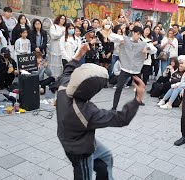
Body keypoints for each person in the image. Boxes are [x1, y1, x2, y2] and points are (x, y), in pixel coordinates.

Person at [56, 43, 145, 180]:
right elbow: (121, 119)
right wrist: (138, 98)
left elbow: (68, 70)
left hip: (74, 138)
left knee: (106, 158)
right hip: (80, 151)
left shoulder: (64, 86)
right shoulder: (86, 113)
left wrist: (79, 54)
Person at [109, 26, 149, 110]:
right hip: (125, 68)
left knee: (139, 86)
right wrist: (120, 39)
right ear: (133, 33)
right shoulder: (125, 39)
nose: (138, 36)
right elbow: (111, 36)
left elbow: (154, 49)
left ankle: (138, 101)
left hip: (135, 69)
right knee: (119, 87)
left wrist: (147, 49)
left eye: (140, 35)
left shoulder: (142, 43)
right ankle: (114, 107)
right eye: (137, 34)